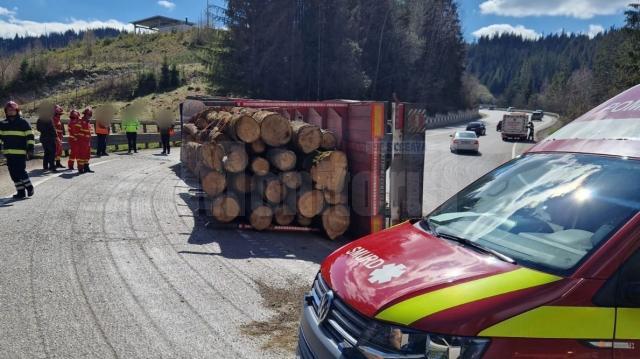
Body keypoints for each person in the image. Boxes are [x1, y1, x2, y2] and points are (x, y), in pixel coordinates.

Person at [0, 101, 35, 199]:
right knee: (13, 174)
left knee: (20, 171)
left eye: (12, 110)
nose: (10, 112)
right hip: (8, 153)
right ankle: (20, 192)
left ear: (17, 111)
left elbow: (30, 136)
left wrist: (30, 149)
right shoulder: (2, 124)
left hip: (20, 153)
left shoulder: (23, 122)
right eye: (9, 110)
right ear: (6, 111)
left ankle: (29, 187)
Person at [77, 108, 94, 173]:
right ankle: (80, 168)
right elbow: (77, 131)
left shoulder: (88, 121)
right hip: (82, 141)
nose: (89, 116)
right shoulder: (80, 121)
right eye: (88, 115)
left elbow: (88, 131)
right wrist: (83, 136)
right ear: (85, 114)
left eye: (90, 115)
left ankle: (86, 167)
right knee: (82, 155)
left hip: (87, 141)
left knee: (87, 155)